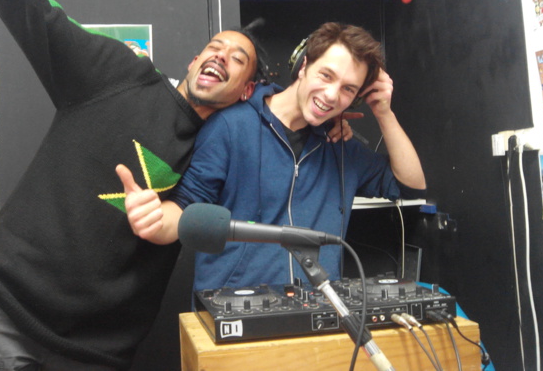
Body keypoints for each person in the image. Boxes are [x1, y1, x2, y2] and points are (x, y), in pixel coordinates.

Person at [0, 0, 274, 371]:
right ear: (194, 60)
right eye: (214, 48)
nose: (220, 57)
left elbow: (288, 114)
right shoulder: (122, 75)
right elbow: (37, 16)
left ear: (246, 90)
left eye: (238, 59)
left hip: (95, 352)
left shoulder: (221, 146)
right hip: (9, 314)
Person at [119, 22, 426, 293]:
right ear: (304, 66)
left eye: (348, 89)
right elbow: (186, 206)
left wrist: (383, 112)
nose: (332, 95)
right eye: (326, 75)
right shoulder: (230, 126)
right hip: (236, 312)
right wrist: (154, 221)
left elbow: (411, 187)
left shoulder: (340, 145)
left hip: (319, 310)